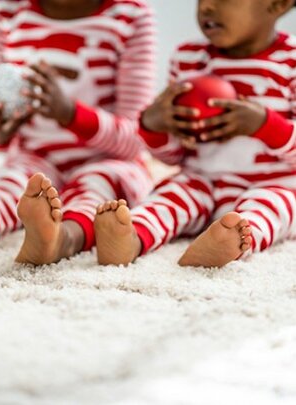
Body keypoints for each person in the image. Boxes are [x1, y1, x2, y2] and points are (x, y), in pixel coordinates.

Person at [0, 0, 157, 264]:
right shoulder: (3, 10)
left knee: (98, 190)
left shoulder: (130, 15)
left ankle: (63, 238)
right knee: (8, 186)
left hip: (107, 160)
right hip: (32, 158)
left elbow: (137, 140)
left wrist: (71, 114)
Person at [94, 0, 296, 267]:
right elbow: (173, 156)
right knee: (169, 196)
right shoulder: (188, 58)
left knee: (274, 207)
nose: (207, 7)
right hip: (201, 181)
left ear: (277, 4)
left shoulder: (290, 62)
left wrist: (265, 125)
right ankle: (131, 237)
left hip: (271, 183)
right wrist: (153, 126)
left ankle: (230, 243)